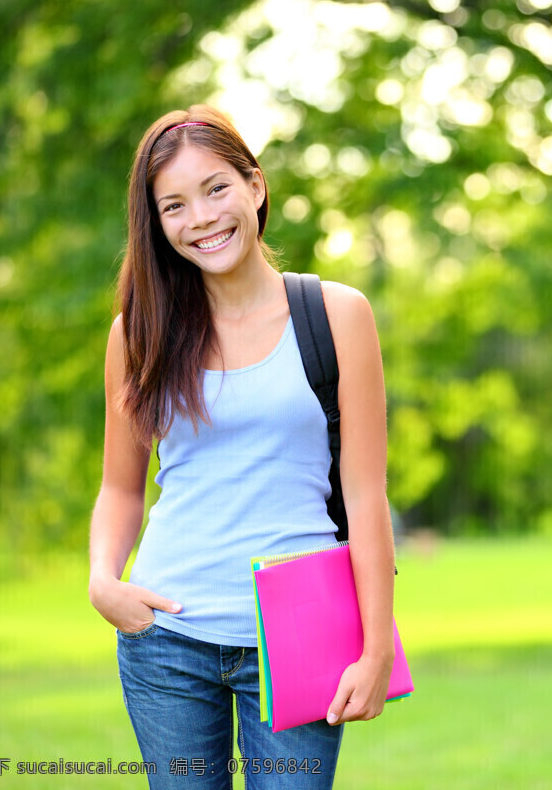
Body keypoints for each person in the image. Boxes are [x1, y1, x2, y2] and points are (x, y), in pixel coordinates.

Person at [88, 105, 396, 789]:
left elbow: (367, 493)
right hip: (167, 634)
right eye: (174, 205)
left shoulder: (339, 315)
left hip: (302, 631)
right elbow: (121, 487)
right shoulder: (137, 334)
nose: (200, 218)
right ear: (156, 225)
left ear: (255, 186)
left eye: (215, 189)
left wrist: (376, 647)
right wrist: (104, 579)